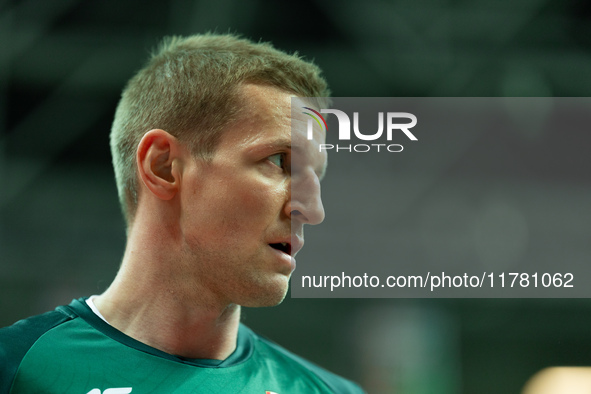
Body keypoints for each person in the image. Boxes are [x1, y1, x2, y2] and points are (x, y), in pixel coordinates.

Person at [0, 33, 364, 393]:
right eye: (278, 161)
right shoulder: (15, 367)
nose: (312, 210)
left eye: (315, 177)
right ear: (163, 166)